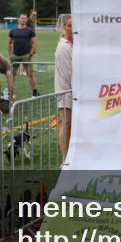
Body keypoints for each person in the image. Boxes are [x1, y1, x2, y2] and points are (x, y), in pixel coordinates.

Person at [54, 14, 73, 162]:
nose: (72, 29)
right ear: (64, 27)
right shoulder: (63, 47)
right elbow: (68, 73)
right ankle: (64, 159)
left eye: (74, 25)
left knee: (72, 124)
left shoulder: (74, 44)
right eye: (69, 25)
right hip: (66, 91)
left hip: (74, 91)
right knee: (66, 124)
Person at [8, 13, 38, 97]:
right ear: (18, 19)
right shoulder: (13, 31)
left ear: (26, 20)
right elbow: (9, 43)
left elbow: (34, 42)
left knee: (30, 74)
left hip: (26, 55)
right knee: (12, 75)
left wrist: (31, 52)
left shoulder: (30, 30)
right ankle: (10, 93)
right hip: (15, 56)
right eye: (22, 18)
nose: (23, 19)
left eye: (25, 18)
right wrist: (10, 54)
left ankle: (35, 92)